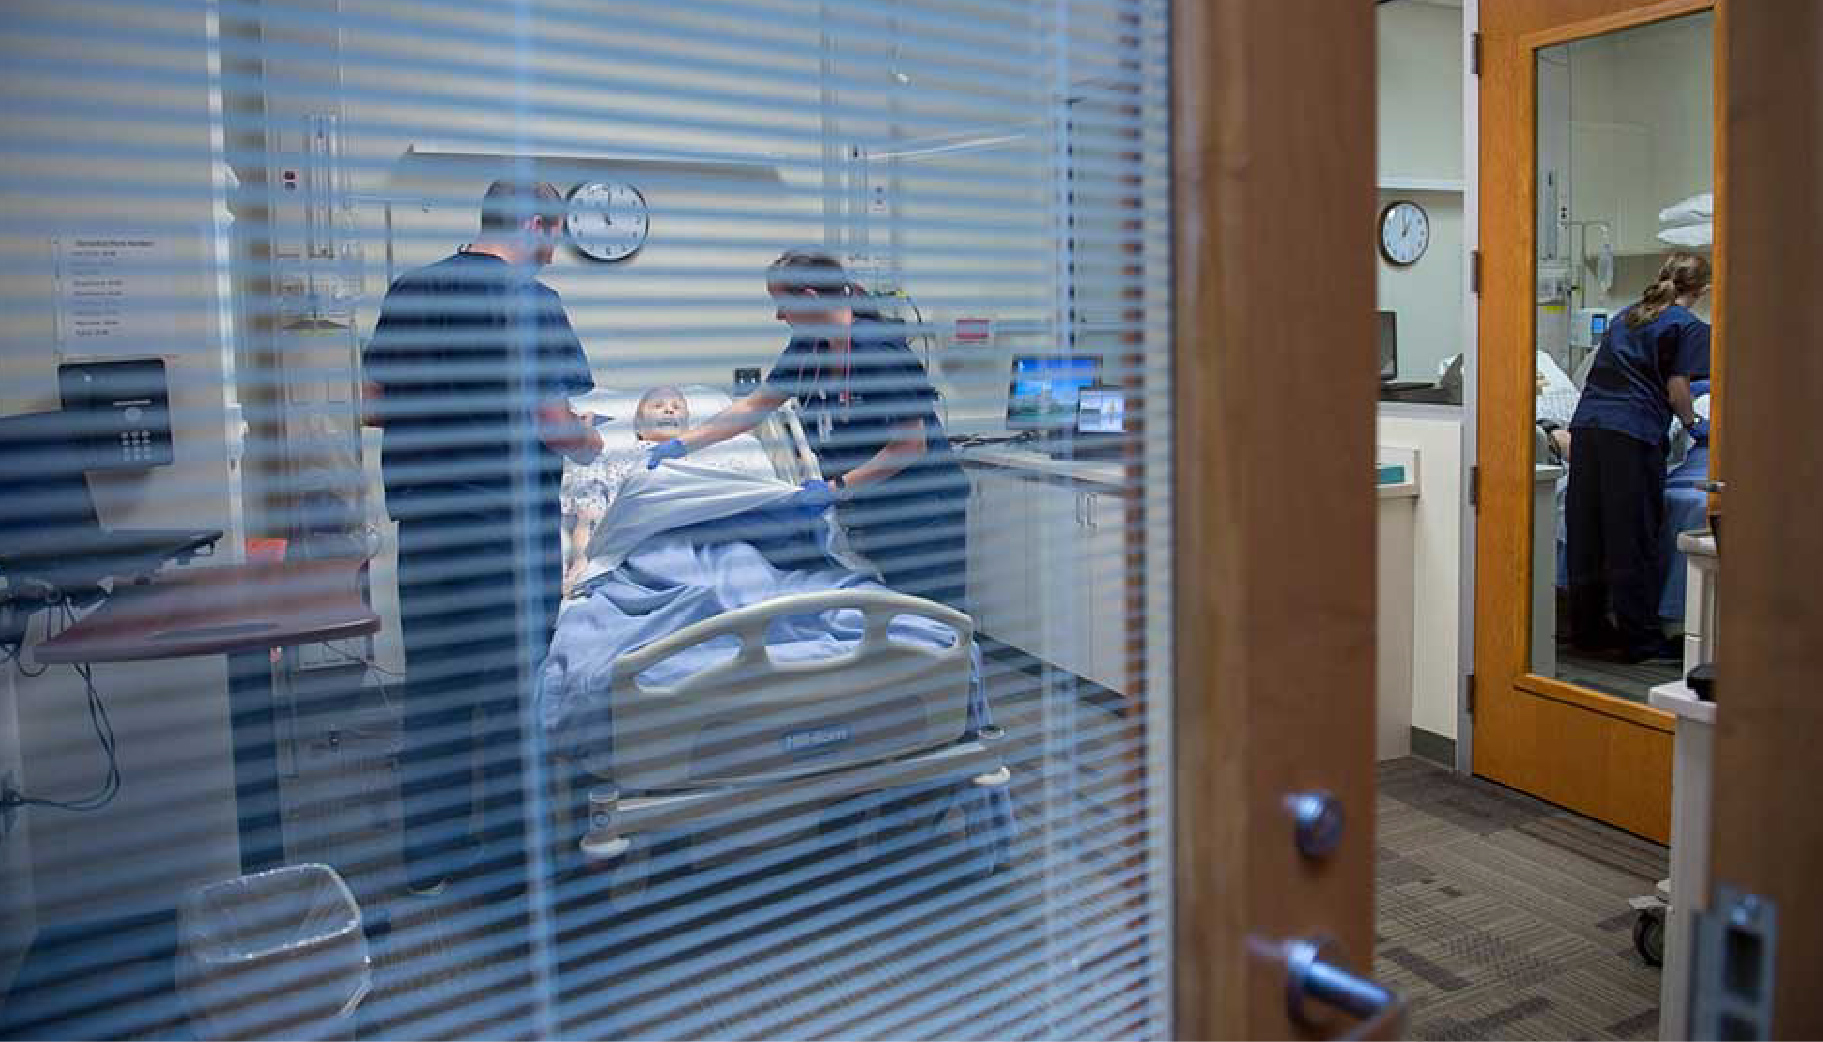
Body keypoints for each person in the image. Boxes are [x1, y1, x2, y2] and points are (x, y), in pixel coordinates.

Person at [361, 178, 601, 896]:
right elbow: (554, 426)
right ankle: (513, 859)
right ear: (532, 223)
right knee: (509, 695)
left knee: (434, 690)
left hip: (431, 529)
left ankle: (429, 859)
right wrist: (594, 443)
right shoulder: (530, 304)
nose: (552, 253)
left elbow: (371, 408)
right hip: (505, 529)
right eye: (552, 235)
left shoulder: (410, 290)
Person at [646, 250, 969, 607]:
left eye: (782, 303)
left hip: (923, 510)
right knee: (893, 615)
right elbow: (754, 406)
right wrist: (682, 444)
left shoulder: (876, 348)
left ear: (810, 298)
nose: (779, 315)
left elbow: (911, 445)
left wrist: (837, 488)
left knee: (931, 618)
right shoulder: (808, 347)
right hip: (874, 508)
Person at [1565, 251, 1712, 663]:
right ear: (1703, 290)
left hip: (1588, 427)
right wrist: (1692, 422)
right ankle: (1640, 641)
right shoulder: (1688, 326)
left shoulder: (1625, 315)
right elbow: (1678, 386)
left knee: (1588, 533)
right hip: (1631, 435)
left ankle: (1588, 632)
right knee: (1631, 536)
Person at [560, 386, 689, 594]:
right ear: (638, 425)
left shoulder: (695, 465)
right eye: (658, 406)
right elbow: (591, 507)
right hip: (622, 533)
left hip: (669, 535)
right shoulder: (623, 457)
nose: (669, 410)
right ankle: (580, 567)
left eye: (677, 407)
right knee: (590, 513)